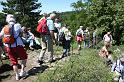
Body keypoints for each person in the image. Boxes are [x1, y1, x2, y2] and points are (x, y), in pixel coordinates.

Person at [0, 14, 28, 80]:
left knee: (14, 62)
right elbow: (22, 33)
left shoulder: (5, 27)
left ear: (7, 20)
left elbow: (0, 36)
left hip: (9, 47)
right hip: (18, 46)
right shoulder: (18, 25)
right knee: (24, 58)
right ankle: (22, 71)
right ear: (14, 19)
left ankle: (17, 75)